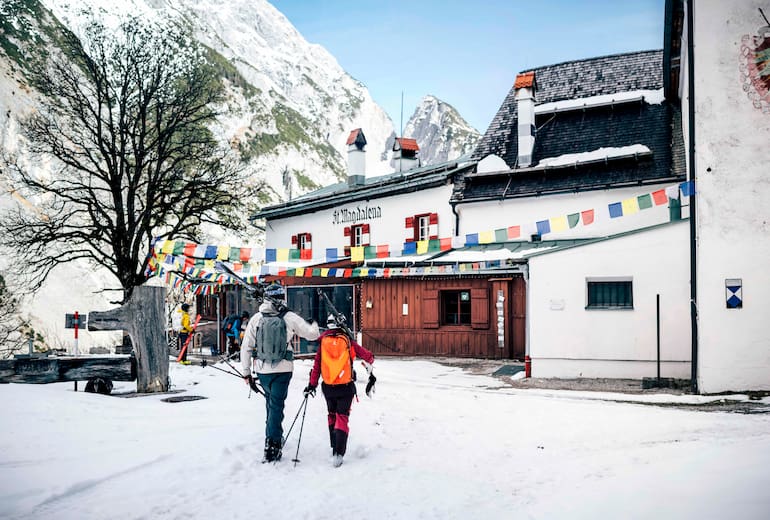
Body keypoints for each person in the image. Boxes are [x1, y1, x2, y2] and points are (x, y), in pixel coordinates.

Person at [241, 283, 319, 463]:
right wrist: (313, 322)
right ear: (282, 297)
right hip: (283, 369)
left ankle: (274, 435)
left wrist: (246, 373)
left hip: (262, 369)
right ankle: (272, 444)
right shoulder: (289, 317)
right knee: (276, 405)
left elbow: (246, 347)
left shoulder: (256, 318)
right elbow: (312, 334)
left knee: (271, 403)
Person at [303, 314, 375, 467]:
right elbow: (365, 354)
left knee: (332, 415)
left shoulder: (323, 342)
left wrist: (312, 384)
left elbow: (317, 366)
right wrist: (370, 359)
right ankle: (339, 453)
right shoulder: (347, 340)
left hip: (328, 388)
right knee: (342, 417)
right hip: (345, 387)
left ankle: (334, 445)